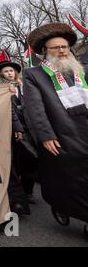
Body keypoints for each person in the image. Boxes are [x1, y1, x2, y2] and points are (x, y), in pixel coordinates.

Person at [23, 22, 88, 238]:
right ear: (44, 51)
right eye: (56, 48)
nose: (61, 51)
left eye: (65, 47)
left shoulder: (81, 70)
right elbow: (35, 109)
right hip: (61, 132)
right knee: (68, 177)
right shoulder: (34, 74)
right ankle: (62, 205)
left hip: (85, 128)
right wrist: (45, 135)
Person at [0, 53, 34, 216]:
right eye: (6, 72)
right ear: (1, 75)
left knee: (30, 159)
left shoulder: (25, 87)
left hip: (30, 127)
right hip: (10, 128)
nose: (9, 73)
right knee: (14, 160)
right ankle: (17, 195)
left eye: (11, 71)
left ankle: (28, 190)